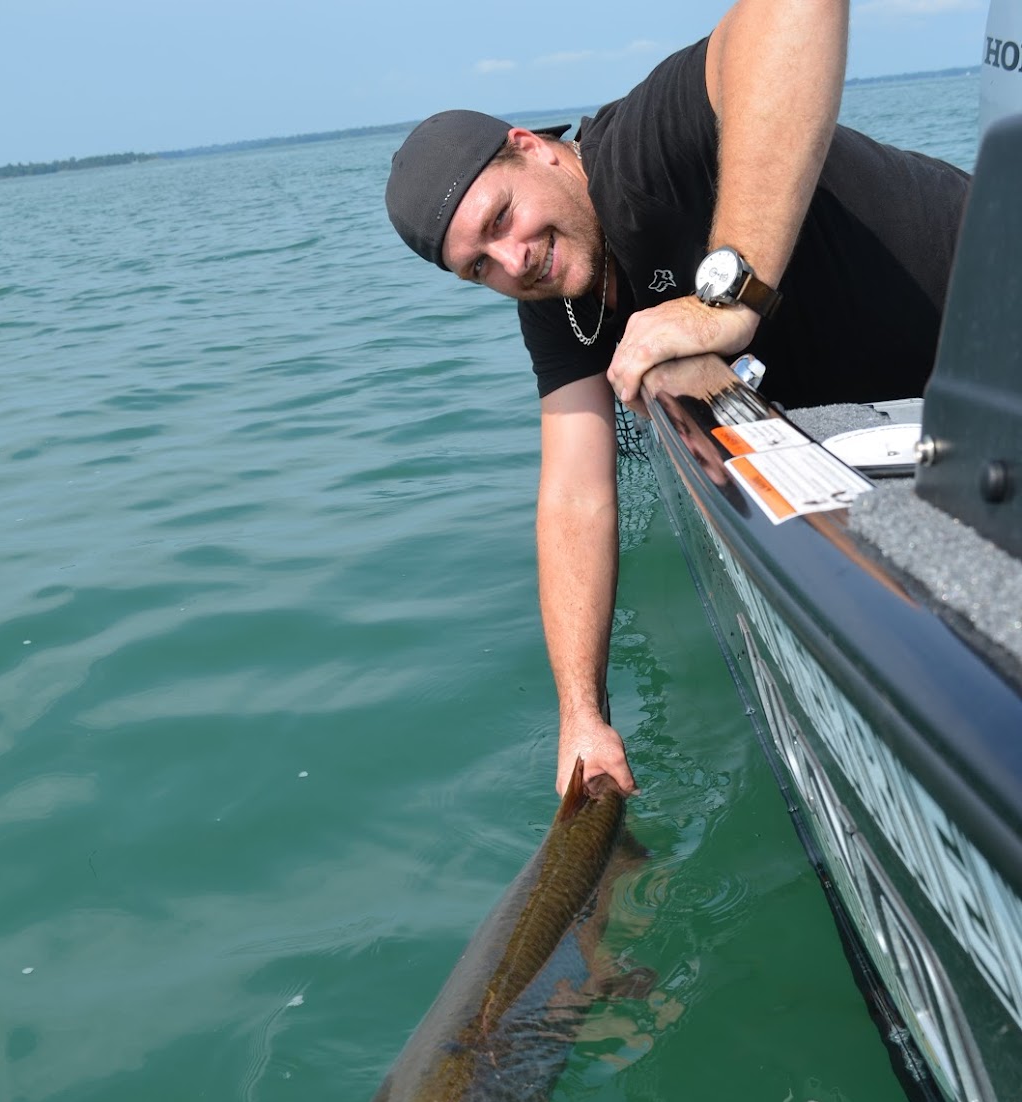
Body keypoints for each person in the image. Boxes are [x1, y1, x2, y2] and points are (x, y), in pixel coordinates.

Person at [385, 0, 969, 797]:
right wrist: (583, 719)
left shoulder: (634, 156)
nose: (512, 260)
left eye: (501, 217)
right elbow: (573, 494)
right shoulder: (556, 302)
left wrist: (728, 297)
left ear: (534, 150)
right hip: (915, 425)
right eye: (479, 267)